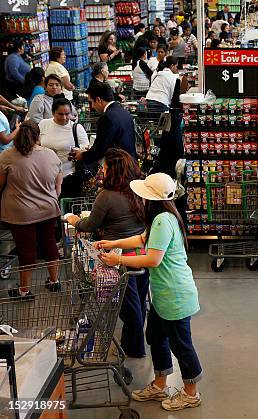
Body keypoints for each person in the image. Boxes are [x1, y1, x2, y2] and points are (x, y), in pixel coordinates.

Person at [96, 172, 202, 411]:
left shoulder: (163, 220)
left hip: (175, 296)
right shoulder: (160, 218)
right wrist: (112, 244)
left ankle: (191, 393)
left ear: (150, 199)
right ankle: (160, 384)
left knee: (182, 345)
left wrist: (117, 261)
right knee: (155, 336)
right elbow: (140, 240)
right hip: (163, 296)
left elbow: (153, 260)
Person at [65, 149, 150, 358]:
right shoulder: (140, 190)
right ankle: (131, 343)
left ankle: (136, 349)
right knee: (139, 301)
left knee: (128, 308)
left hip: (118, 257)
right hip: (141, 253)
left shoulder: (107, 195)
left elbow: (90, 224)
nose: (101, 171)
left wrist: (75, 221)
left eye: (104, 167)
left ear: (114, 170)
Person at [0, 120, 62, 299]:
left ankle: (24, 290)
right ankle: (54, 281)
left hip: (20, 212)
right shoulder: (51, 155)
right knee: (50, 244)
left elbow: (0, 184)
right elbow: (58, 187)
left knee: (26, 250)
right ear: (38, 136)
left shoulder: (7, 156)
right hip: (48, 209)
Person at [71, 82, 136, 164]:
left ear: (98, 100)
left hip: (119, 166)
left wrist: (82, 155)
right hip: (130, 162)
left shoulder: (107, 118)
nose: (93, 106)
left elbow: (100, 149)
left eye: (91, 102)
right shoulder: (123, 111)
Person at [39, 98, 89, 198]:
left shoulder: (76, 128)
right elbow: (37, 143)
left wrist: (77, 152)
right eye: (60, 114)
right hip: (46, 176)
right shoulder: (43, 124)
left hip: (69, 176)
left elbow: (86, 150)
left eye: (67, 114)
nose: (65, 117)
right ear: (53, 113)